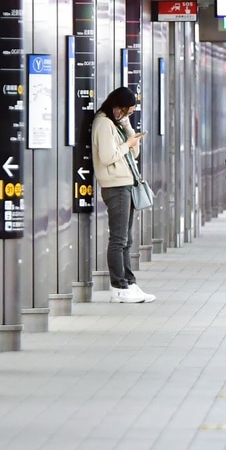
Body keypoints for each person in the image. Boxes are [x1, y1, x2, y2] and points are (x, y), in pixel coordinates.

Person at [91, 87, 156, 302]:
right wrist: (127, 144)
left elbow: (134, 152)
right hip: (115, 185)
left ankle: (129, 282)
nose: (127, 116)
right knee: (118, 239)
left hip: (126, 183)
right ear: (117, 106)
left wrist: (128, 129)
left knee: (127, 239)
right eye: (126, 112)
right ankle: (118, 287)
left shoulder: (116, 124)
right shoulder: (103, 123)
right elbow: (108, 156)